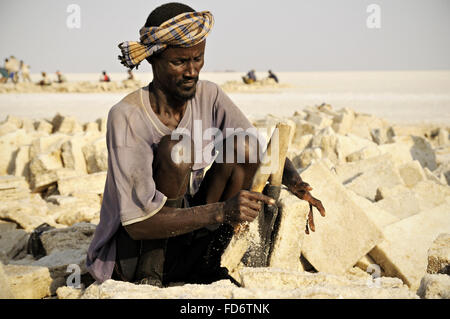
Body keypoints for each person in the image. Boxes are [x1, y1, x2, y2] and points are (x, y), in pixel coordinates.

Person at [86, 2, 325, 287]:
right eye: (179, 62)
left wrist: (297, 184)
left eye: (198, 59)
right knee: (177, 149)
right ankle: (152, 278)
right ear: (153, 60)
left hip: (187, 243)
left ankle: (213, 263)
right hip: (136, 255)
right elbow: (138, 224)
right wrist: (222, 211)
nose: (191, 71)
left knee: (244, 148)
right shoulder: (127, 116)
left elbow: (259, 150)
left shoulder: (209, 95)